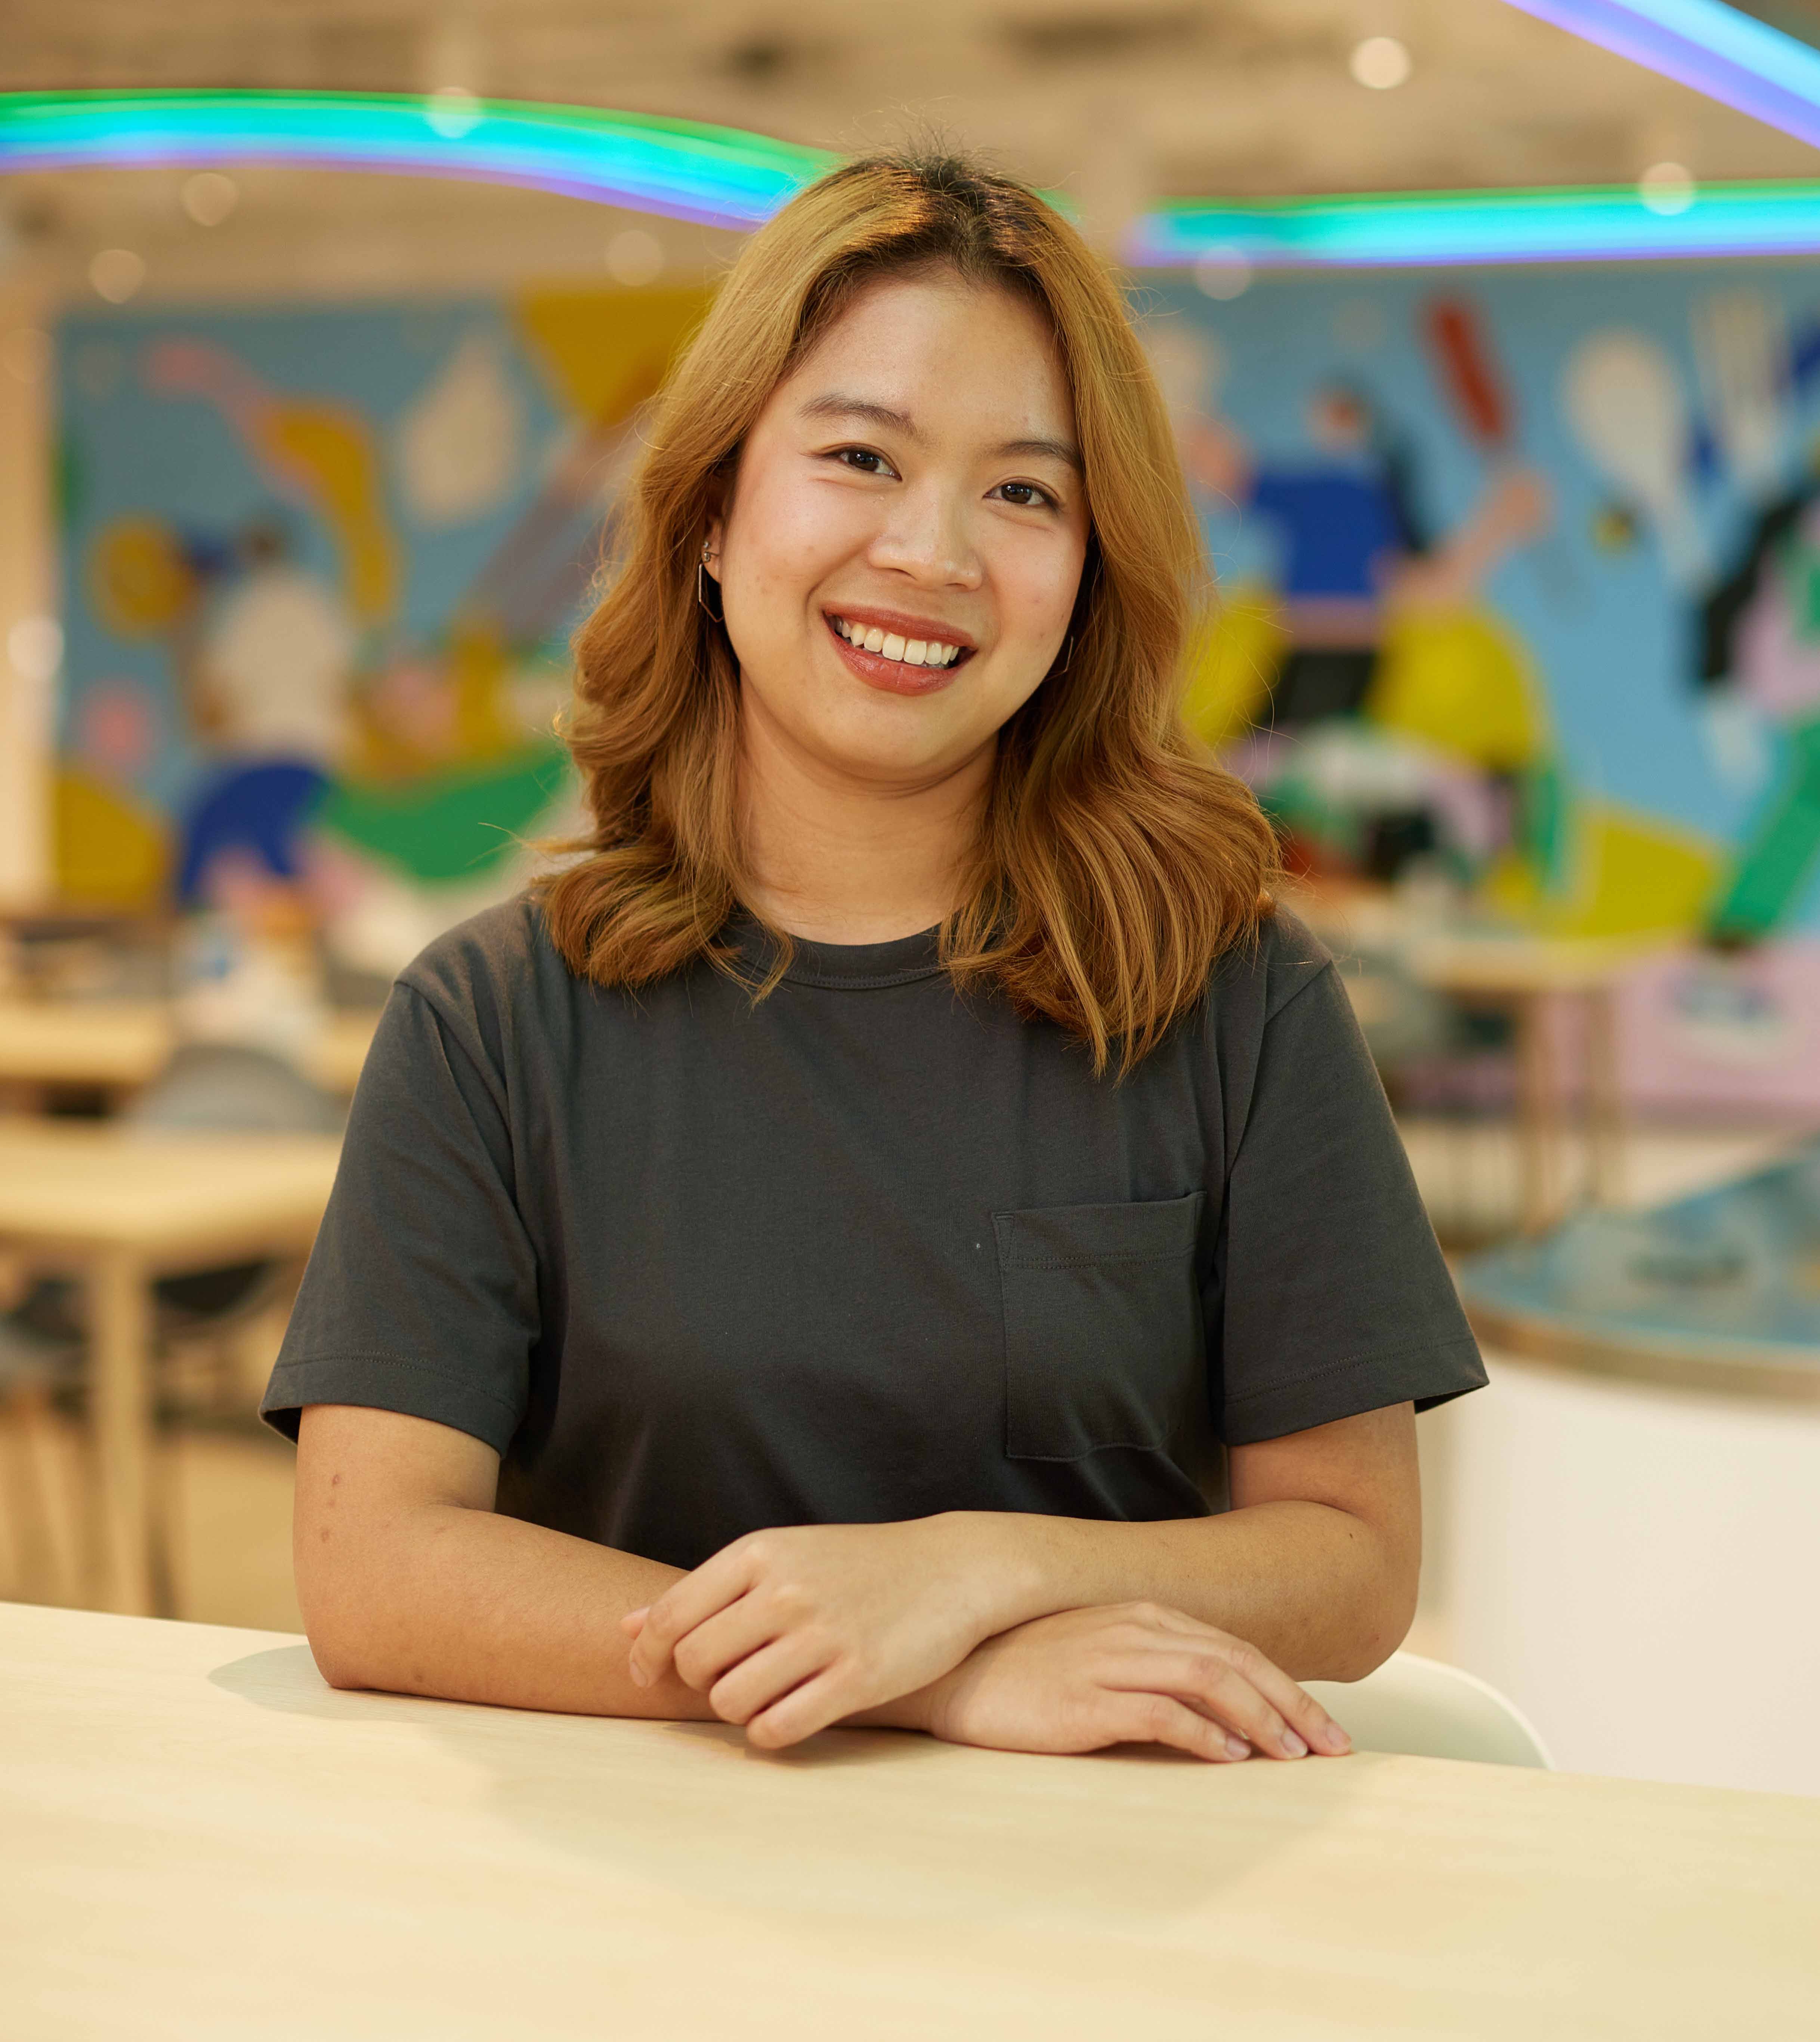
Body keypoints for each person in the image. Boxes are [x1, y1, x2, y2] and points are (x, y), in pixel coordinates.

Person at [262, 152, 1484, 1766]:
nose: (934, 551)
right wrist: (912, 1676)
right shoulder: (492, 1021)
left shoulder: (1232, 995)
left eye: (1024, 492)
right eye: (859, 456)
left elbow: (1351, 1558)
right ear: (710, 515)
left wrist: (978, 1570)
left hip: (1109, 1902)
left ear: (1087, 576)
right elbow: (376, 1570)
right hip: (613, 1910)